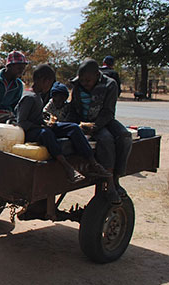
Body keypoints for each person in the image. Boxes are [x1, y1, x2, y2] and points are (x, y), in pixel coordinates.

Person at [16, 64, 110, 183]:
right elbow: (22, 122)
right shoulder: (29, 97)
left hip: (39, 128)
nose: (50, 86)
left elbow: (37, 118)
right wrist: (41, 126)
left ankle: (93, 162)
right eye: (50, 83)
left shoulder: (38, 96)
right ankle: (67, 167)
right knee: (47, 133)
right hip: (30, 132)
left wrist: (46, 123)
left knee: (73, 127)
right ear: (44, 80)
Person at [66, 58, 132, 204]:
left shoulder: (110, 85)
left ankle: (115, 179)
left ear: (97, 75)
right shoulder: (78, 86)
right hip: (83, 122)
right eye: (82, 80)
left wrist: (95, 126)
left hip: (104, 121)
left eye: (88, 80)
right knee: (106, 139)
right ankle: (108, 180)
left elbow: (108, 112)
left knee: (125, 136)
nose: (85, 83)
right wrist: (71, 125)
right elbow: (73, 109)